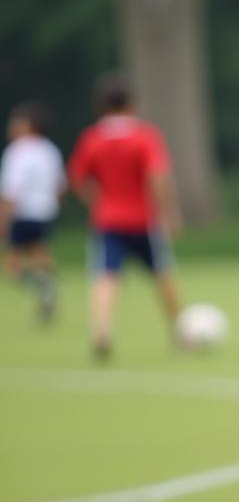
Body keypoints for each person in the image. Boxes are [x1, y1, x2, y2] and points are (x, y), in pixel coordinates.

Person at [68, 72, 183, 359]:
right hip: (143, 220)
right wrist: (167, 211)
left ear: (100, 106)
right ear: (133, 103)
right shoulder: (144, 136)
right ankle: (180, 333)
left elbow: (77, 177)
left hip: (108, 221)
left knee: (106, 276)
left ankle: (102, 331)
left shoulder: (92, 138)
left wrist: (97, 200)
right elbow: (158, 176)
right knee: (163, 275)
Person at [0, 102, 65, 321]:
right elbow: (60, 186)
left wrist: (3, 219)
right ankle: (47, 290)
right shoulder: (50, 150)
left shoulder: (17, 151)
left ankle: (44, 290)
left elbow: (11, 191)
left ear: (30, 125)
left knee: (12, 267)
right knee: (41, 255)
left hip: (23, 212)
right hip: (45, 212)